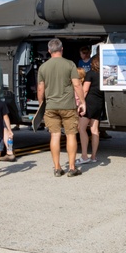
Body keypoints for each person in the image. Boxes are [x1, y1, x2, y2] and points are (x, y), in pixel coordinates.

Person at [37, 38, 85, 177]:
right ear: (62, 49)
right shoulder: (70, 64)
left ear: (49, 51)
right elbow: (77, 85)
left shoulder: (43, 67)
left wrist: (41, 104)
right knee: (71, 135)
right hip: (68, 106)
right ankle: (71, 168)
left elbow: (41, 89)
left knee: (55, 135)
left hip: (51, 106)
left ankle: (57, 168)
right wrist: (82, 102)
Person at [78, 52, 104, 164]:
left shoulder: (90, 74)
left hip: (89, 103)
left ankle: (84, 156)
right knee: (94, 130)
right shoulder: (104, 75)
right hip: (99, 103)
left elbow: (85, 90)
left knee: (82, 128)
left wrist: (81, 103)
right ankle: (93, 156)